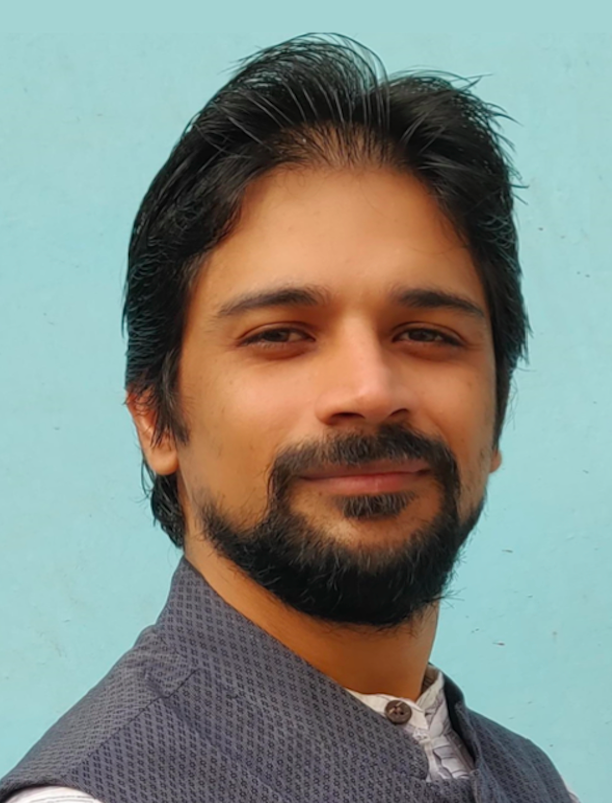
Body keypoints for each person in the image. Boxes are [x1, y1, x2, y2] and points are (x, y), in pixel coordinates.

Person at [0, 34, 580, 803]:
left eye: (426, 334)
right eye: (281, 335)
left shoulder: (532, 780)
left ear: (497, 408)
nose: (370, 389)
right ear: (157, 419)